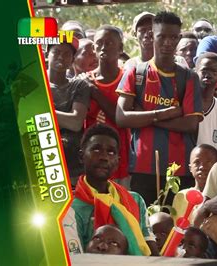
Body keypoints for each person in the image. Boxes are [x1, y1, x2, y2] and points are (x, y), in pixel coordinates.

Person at [116, 11, 203, 206]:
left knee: (176, 227)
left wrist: (142, 115)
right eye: (161, 36)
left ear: (179, 39)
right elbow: (121, 117)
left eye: (173, 37)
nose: (167, 42)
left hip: (179, 170)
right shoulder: (136, 73)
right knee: (145, 228)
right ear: (152, 36)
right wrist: (165, 113)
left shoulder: (189, 77)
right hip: (141, 167)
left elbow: (190, 124)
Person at [71, 124, 157, 256]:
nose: (104, 157)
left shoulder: (135, 200)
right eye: (96, 149)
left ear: (117, 162)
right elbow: (74, 257)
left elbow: (151, 252)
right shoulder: (70, 206)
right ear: (81, 156)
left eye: (111, 152)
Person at [85, 25, 130, 187]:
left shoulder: (127, 78)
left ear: (120, 48)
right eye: (99, 43)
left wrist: (95, 92)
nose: (103, 47)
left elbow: (121, 117)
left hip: (119, 162)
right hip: (91, 164)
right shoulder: (84, 80)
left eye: (110, 43)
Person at [47, 37, 91, 188]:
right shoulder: (35, 82)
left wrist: (43, 112)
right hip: (39, 164)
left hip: (72, 168)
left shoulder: (79, 85)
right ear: (47, 54)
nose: (61, 56)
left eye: (66, 54)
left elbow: (75, 122)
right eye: (56, 52)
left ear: (72, 59)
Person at [171, 144, 217, 223]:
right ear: (190, 168)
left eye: (208, 162)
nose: (202, 167)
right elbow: (176, 227)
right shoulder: (181, 196)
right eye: (197, 162)